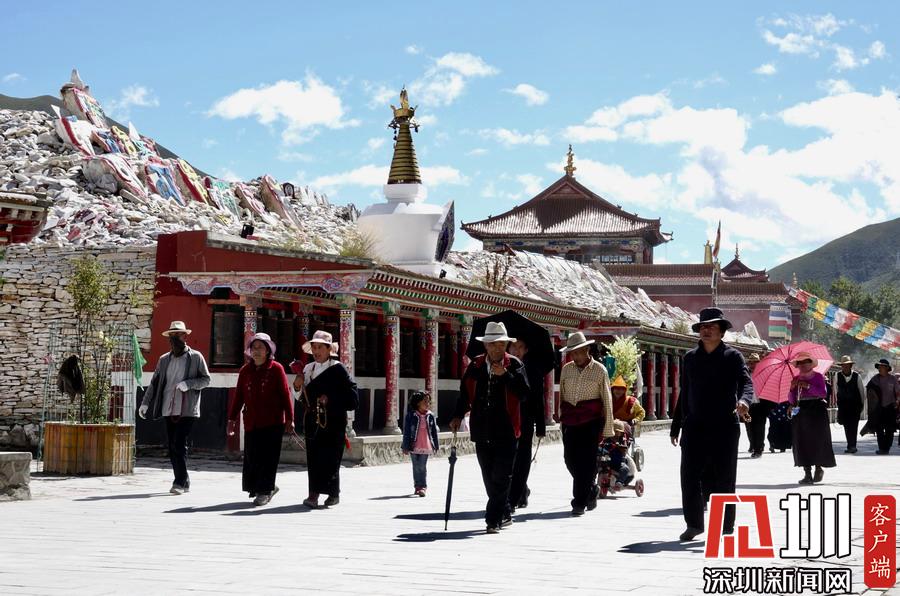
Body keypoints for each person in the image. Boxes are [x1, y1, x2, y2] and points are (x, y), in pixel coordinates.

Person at [670, 307, 752, 542]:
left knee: (724, 477)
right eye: (703, 327)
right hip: (694, 426)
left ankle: (725, 525)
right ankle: (694, 524)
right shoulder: (690, 358)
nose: (706, 331)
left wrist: (745, 401)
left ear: (722, 332)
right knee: (689, 476)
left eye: (712, 327)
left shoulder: (733, 357)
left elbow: (746, 383)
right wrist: (676, 426)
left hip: (725, 426)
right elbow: (685, 393)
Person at [450, 321, 530, 534]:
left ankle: (492, 520)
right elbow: (465, 393)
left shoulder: (514, 365)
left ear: (506, 345)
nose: (497, 348)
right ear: (486, 345)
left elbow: (524, 393)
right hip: (482, 429)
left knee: (501, 476)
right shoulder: (475, 365)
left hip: (507, 430)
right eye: (493, 344)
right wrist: (458, 414)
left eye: (501, 344)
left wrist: (506, 376)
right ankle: (504, 511)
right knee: (488, 477)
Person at [138, 321, 210, 495]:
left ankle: (178, 482)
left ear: (185, 336)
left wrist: (189, 384)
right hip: (168, 409)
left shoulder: (196, 357)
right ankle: (184, 480)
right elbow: (155, 383)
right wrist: (145, 403)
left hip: (187, 409)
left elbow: (206, 380)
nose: (174, 338)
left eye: (177, 335)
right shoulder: (164, 360)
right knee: (173, 446)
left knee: (178, 443)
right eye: (172, 336)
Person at [226, 333, 293, 506]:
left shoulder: (276, 369)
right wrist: (232, 419)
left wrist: (290, 418)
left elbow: (285, 395)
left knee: (268, 457)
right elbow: (238, 397)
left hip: (273, 422)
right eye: (254, 347)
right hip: (251, 422)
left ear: (268, 350)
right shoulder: (245, 371)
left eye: (260, 348)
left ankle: (265, 491)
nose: (256, 351)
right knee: (252, 457)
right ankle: (264, 487)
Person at [295, 330, 359, 509]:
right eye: (314, 347)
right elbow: (301, 397)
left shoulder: (338, 369)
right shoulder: (308, 369)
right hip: (312, 420)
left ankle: (333, 493)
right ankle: (313, 494)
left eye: (320, 347)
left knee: (331, 458)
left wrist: (330, 399)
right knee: (313, 457)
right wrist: (297, 385)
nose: (316, 351)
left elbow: (352, 397)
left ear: (329, 349)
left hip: (334, 421)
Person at [556, 332, 614, 517]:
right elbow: (562, 395)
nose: (575, 356)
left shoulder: (599, 370)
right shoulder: (566, 369)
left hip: (591, 421)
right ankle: (591, 488)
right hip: (570, 420)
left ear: (587, 350)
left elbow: (606, 399)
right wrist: (561, 419)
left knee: (587, 462)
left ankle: (579, 503)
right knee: (570, 459)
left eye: (578, 352)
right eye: (572, 353)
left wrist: (608, 427)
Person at [507, 337, 547, 511]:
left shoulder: (533, 370)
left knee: (522, 460)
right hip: (505, 420)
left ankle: (513, 498)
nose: (516, 350)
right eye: (513, 346)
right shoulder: (501, 366)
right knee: (508, 460)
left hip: (526, 420)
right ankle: (520, 491)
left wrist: (541, 426)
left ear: (526, 350)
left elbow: (539, 398)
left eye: (520, 347)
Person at [788, 352, 836, 484]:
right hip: (801, 411)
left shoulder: (818, 376)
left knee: (817, 440)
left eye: (806, 362)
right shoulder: (796, 378)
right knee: (802, 441)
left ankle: (818, 467)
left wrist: (807, 386)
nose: (803, 365)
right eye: (800, 363)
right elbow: (791, 400)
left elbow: (823, 393)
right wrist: (792, 388)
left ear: (811, 364)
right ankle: (807, 473)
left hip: (816, 410)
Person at [401, 391, 439, 497]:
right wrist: (405, 446)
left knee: (422, 466)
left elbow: (434, 432)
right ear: (418, 403)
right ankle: (417, 486)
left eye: (428, 401)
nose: (427, 404)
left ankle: (423, 487)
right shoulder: (411, 416)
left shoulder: (430, 416)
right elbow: (407, 432)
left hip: (425, 445)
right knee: (415, 466)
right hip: (413, 445)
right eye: (425, 401)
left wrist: (436, 445)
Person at [865, 358, 900, 454]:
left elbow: (898, 392)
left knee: (890, 430)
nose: (880, 369)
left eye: (882, 367)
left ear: (887, 368)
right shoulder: (875, 379)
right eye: (879, 367)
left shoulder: (893, 379)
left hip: (890, 407)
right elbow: (869, 391)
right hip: (879, 408)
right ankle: (881, 448)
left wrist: (897, 402)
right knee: (879, 429)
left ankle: (886, 448)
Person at [834, 355, 865, 454]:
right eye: (843, 365)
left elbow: (861, 391)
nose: (845, 367)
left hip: (855, 406)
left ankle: (853, 446)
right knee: (846, 426)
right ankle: (850, 445)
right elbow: (835, 390)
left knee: (854, 426)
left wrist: (862, 405)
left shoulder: (857, 376)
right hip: (843, 406)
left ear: (851, 365)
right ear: (841, 366)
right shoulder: (837, 376)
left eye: (847, 365)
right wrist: (837, 403)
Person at [745, 353, 772, 458]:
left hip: (761, 404)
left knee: (760, 428)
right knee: (750, 427)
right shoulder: (745, 373)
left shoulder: (764, 374)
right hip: (748, 404)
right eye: (751, 362)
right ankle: (753, 445)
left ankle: (758, 449)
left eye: (755, 362)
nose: (753, 364)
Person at [607, 420, 636, 491]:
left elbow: (625, 448)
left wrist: (620, 446)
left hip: (618, 461)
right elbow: (602, 444)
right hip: (607, 460)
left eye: (618, 432)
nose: (617, 433)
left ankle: (619, 482)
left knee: (625, 469)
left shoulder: (622, 440)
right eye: (615, 431)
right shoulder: (607, 439)